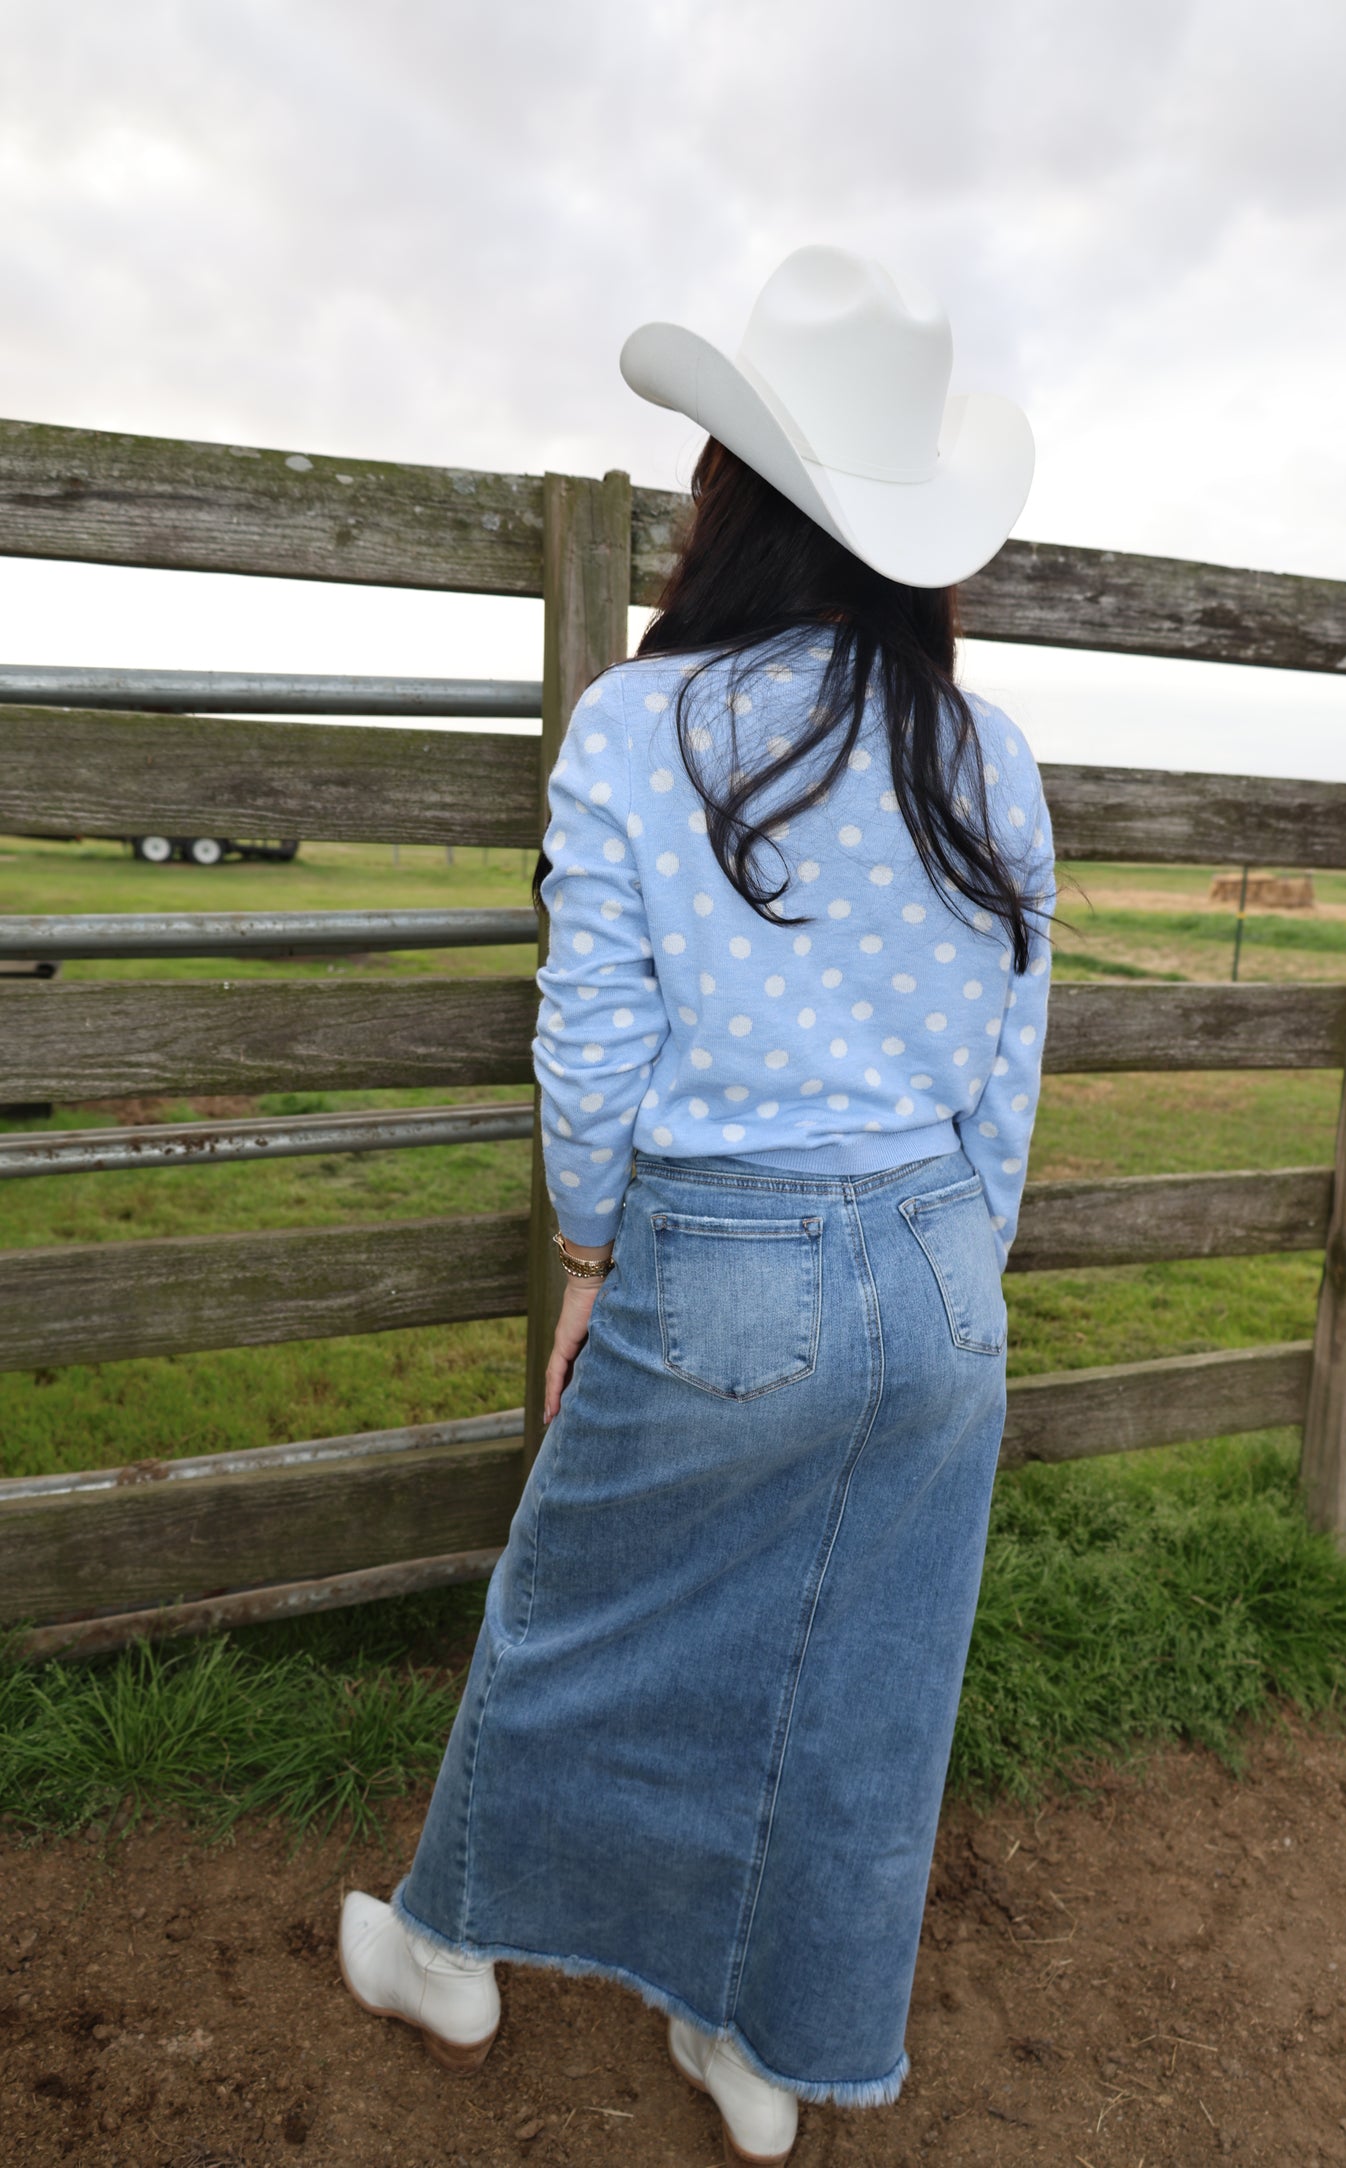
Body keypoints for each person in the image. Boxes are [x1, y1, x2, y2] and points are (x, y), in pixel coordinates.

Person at [337, 243, 1055, 2166]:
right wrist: (945, 1278)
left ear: (731, 501)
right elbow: (1005, 1068)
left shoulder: (640, 731)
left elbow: (592, 1055)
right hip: (938, 1263)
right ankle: (764, 2050)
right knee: (855, 1678)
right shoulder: (984, 756)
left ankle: (445, 1945)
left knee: (572, 1617)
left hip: (722, 1252)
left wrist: (588, 1260)